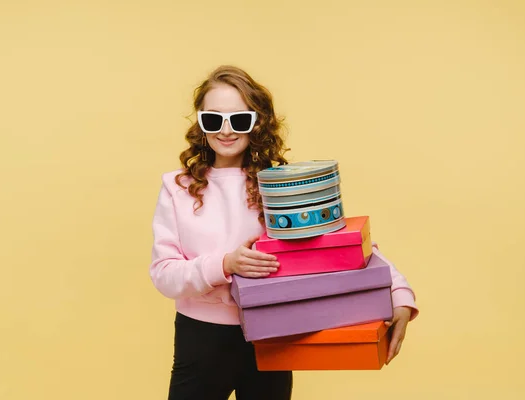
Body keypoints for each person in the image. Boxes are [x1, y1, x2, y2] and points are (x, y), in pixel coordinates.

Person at [149, 65, 419, 400]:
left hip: (275, 331)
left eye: (240, 119)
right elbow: (163, 274)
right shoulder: (177, 188)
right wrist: (225, 264)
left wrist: (399, 294)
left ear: (257, 122)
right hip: (201, 337)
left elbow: (341, 245)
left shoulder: (283, 185)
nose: (227, 130)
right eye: (214, 120)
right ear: (201, 125)